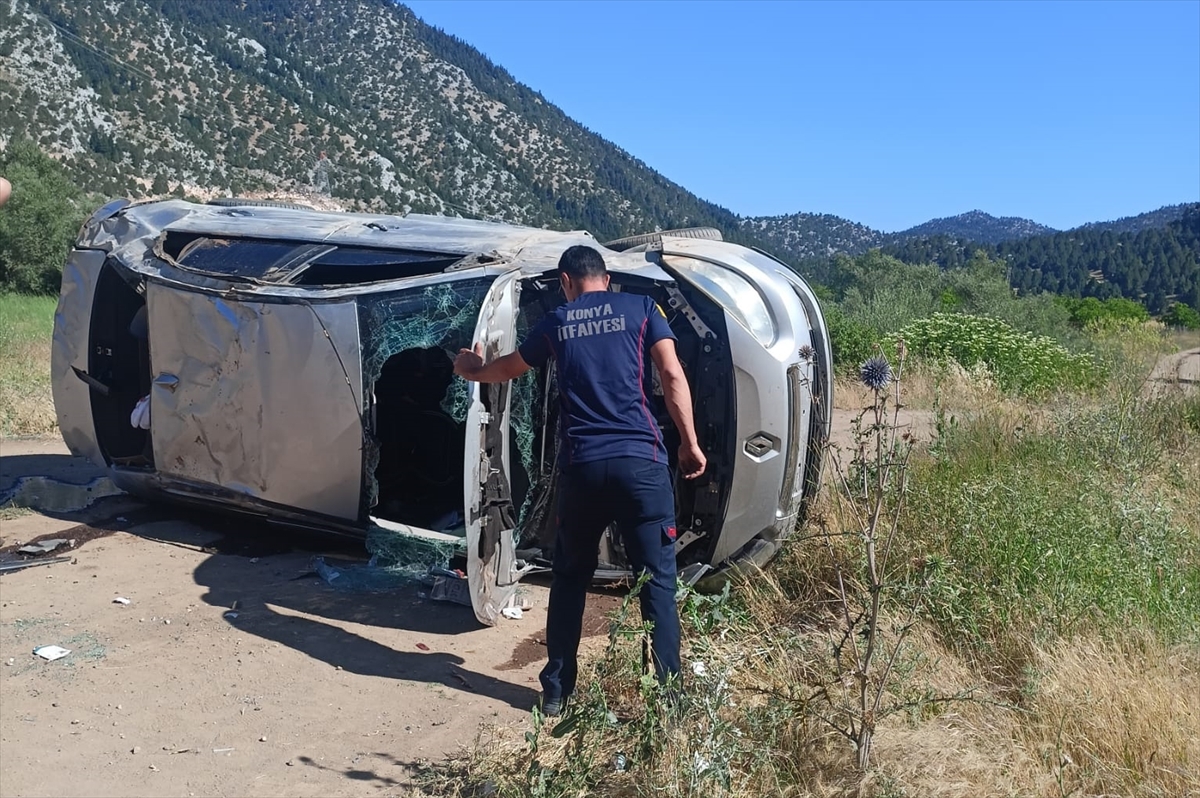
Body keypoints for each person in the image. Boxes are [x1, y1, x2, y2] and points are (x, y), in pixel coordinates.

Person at [453, 244, 706, 716]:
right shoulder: (643, 308)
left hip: (584, 469)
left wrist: (472, 369)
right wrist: (689, 443)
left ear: (567, 283)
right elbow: (672, 375)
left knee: (570, 578)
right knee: (657, 583)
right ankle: (668, 702)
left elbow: (506, 370)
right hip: (641, 465)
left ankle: (556, 692)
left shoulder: (558, 322)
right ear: (606, 278)